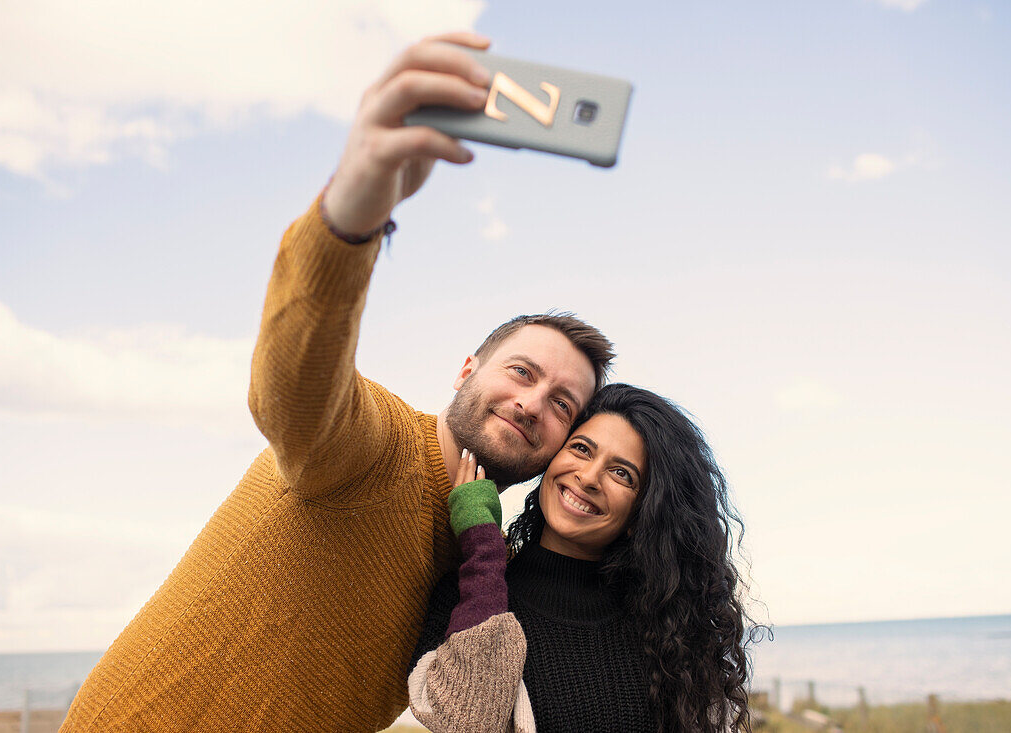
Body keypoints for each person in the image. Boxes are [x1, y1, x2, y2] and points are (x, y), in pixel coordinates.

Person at [61, 32, 614, 732]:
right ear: (467, 369)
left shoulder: (485, 554)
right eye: (522, 371)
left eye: (562, 402)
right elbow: (292, 384)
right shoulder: (375, 441)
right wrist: (355, 213)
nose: (533, 402)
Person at [409, 384, 755, 733]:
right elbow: (466, 720)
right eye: (581, 448)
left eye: (622, 473)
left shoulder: (668, 634)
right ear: (551, 458)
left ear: (642, 515)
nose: (588, 477)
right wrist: (482, 546)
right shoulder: (460, 599)